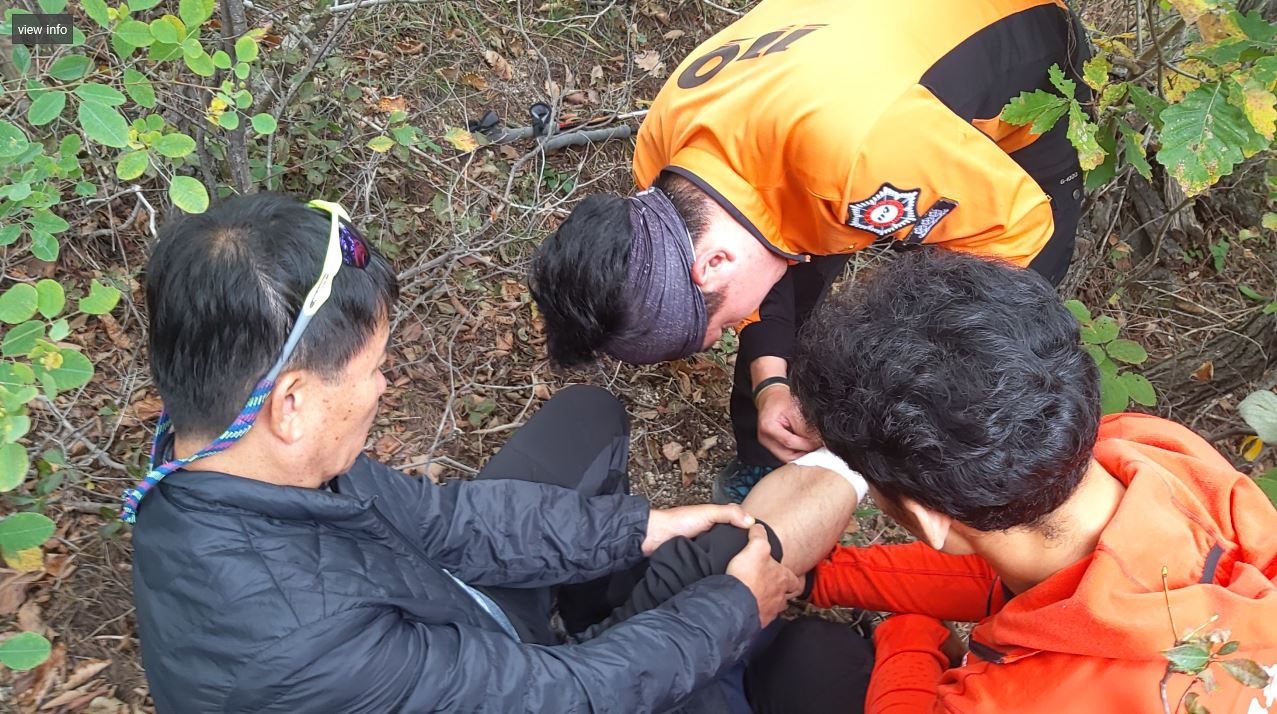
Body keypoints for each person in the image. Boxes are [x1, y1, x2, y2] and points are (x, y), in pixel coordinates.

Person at [124, 193, 811, 713]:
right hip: (493, 674)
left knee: (589, 422)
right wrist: (731, 611)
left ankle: (603, 609)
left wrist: (639, 529)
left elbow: (444, 522)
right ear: (292, 404)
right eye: (373, 369)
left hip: (450, 620)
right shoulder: (302, 649)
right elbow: (559, 695)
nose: (384, 386)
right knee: (767, 617)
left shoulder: (238, 459)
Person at [529, 0, 1092, 503]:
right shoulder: (662, 161)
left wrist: (891, 381)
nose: (725, 333)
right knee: (777, 271)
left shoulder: (858, 161)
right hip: (840, 79)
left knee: (991, 310)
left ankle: (967, 480)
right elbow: (759, 274)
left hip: (1024, 50)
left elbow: (1018, 231)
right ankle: (765, 453)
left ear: (713, 264)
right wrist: (772, 383)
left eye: (719, 327)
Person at [766, 249, 1277, 712]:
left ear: (927, 519)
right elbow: (1005, 556)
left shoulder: (1004, 700)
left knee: (800, 662)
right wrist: (814, 577)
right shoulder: (1155, 448)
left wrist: (910, 632)